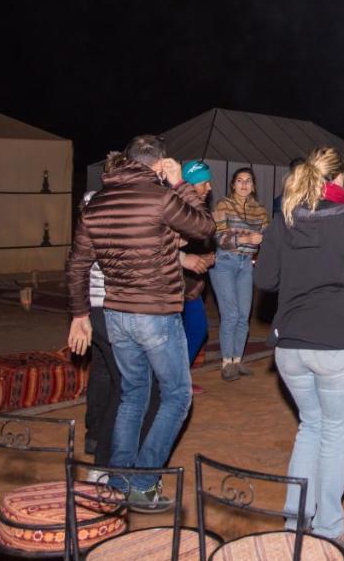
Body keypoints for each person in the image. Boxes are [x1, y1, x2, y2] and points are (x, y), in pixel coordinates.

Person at [66, 134, 215, 507]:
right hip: (156, 313)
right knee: (177, 396)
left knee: (132, 396)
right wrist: (181, 184)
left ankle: (117, 480)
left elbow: (77, 264)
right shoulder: (160, 196)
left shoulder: (97, 202)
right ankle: (144, 482)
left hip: (115, 315)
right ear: (159, 162)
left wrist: (80, 314)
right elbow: (204, 227)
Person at [255, 147, 344, 552]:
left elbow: (265, 277)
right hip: (338, 344)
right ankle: (329, 526)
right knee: (333, 435)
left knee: (309, 427)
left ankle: (295, 517)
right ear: (341, 180)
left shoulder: (284, 221)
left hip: (291, 345)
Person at [209, 167, 270, 382]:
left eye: (248, 181)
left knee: (244, 315)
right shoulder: (222, 204)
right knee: (231, 314)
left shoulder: (261, 210)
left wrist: (265, 240)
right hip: (225, 262)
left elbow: (267, 237)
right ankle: (227, 363)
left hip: (247, 265)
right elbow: (219, 238)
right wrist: (246, 239)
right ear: (233, 184)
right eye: (240, 181)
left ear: (253, 186)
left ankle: (237, 360)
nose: (244, 185)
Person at [178, 161, 216, 385]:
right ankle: (174, 380)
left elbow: (199, 245)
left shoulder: (199, 211)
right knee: (181, 333)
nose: (209, 187)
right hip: (174, 286)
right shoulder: (176, 210)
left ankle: (179, 377)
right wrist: (185, 260)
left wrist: (209, 256)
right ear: (190, 186)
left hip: (193, 285)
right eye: (204, 183)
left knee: (197, 329)